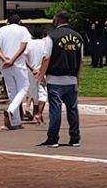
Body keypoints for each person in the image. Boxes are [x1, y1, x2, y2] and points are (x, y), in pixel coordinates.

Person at [36, 11, 83, 148]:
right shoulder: (78, 37)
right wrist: (77, 79)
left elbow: (46, 58)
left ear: (58, 19)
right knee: (72, 109)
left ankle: (53, 138)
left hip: (55, 79)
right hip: (72, 79)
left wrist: (41, 76)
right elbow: (80, 61)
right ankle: (75, 138)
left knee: (55, 110)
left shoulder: (52, 37)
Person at [0, 14, 32, 130]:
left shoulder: (2, 30)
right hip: (18, 64)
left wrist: (5, 60)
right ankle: (11, 110)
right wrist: (13, 60)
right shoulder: (23, 30)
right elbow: (23, 46)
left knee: (12, 92)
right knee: (24, 87)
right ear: (19, 21)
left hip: (6, 63)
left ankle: (15, 121)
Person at [25, 33, 49, 125]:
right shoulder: (45, 44)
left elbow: (24, 58)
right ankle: (38, 114)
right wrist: (40, 69)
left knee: (34, 93)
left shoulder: (29, 44)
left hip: (31, 71)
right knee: (43, 93)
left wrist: (32, 68)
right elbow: (46, 58)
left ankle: (36, 113)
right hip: (41, 70)